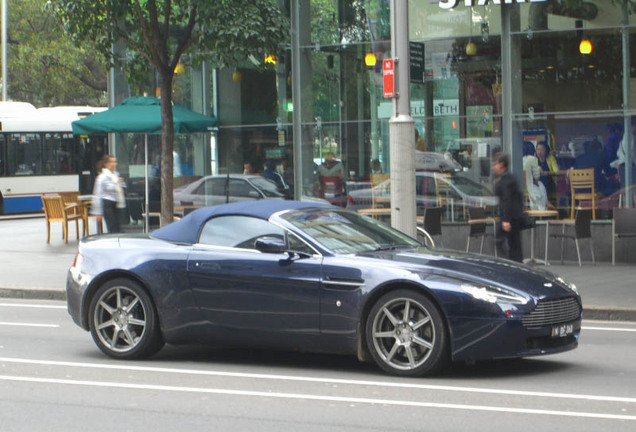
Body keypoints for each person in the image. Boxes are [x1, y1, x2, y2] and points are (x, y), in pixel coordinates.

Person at [492, 152, 524, 262]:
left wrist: (506, 220)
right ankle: (514, 263)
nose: (493, 166)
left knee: (500, 241)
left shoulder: (507, 180)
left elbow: (507, 200)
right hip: (511, 217)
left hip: (509, 218)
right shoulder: (507, 178)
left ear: (501, 164)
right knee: (513, 243)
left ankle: (509, 263)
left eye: (495, 163)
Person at [92, 154, 126, 233]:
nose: (114, 164)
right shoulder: (102, 177)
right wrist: (97, 212)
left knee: (118, 226)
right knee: (112, 227)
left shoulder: (116, 174)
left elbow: (121, 187)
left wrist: (121, 184)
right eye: (112, 162)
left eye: (115, 161)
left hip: (117, 203)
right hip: (108, 203)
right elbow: (97, 194)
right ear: (106, 164)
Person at [522, 141, 548, 210]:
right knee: (542, 186)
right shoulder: (532, 159)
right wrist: (538, 169)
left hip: (523, 188)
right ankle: (542, 210)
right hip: (531, 187)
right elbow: (536, 176)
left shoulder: (519, 159)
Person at [611, 118, 636, 190]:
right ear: (631, 126)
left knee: (625, 187)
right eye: (634, 126)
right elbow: (629, 152)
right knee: (630, 187)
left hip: (623, 164)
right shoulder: (629, 137)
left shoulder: (628, 137)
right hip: (627, 165)